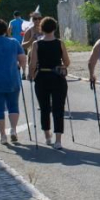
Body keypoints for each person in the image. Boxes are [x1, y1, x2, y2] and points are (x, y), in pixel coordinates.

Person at [28, 17, 71, 149]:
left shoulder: (36, 44)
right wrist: (62, 66)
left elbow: (33, 63)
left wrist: (30, 74)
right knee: (58, 108)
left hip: (42, 77)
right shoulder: (60, 43)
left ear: (41, 28)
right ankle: (58, 140)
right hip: (58, 77)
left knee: (44, 107)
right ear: (54, 28)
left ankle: (47, 136)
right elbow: (67, 62)